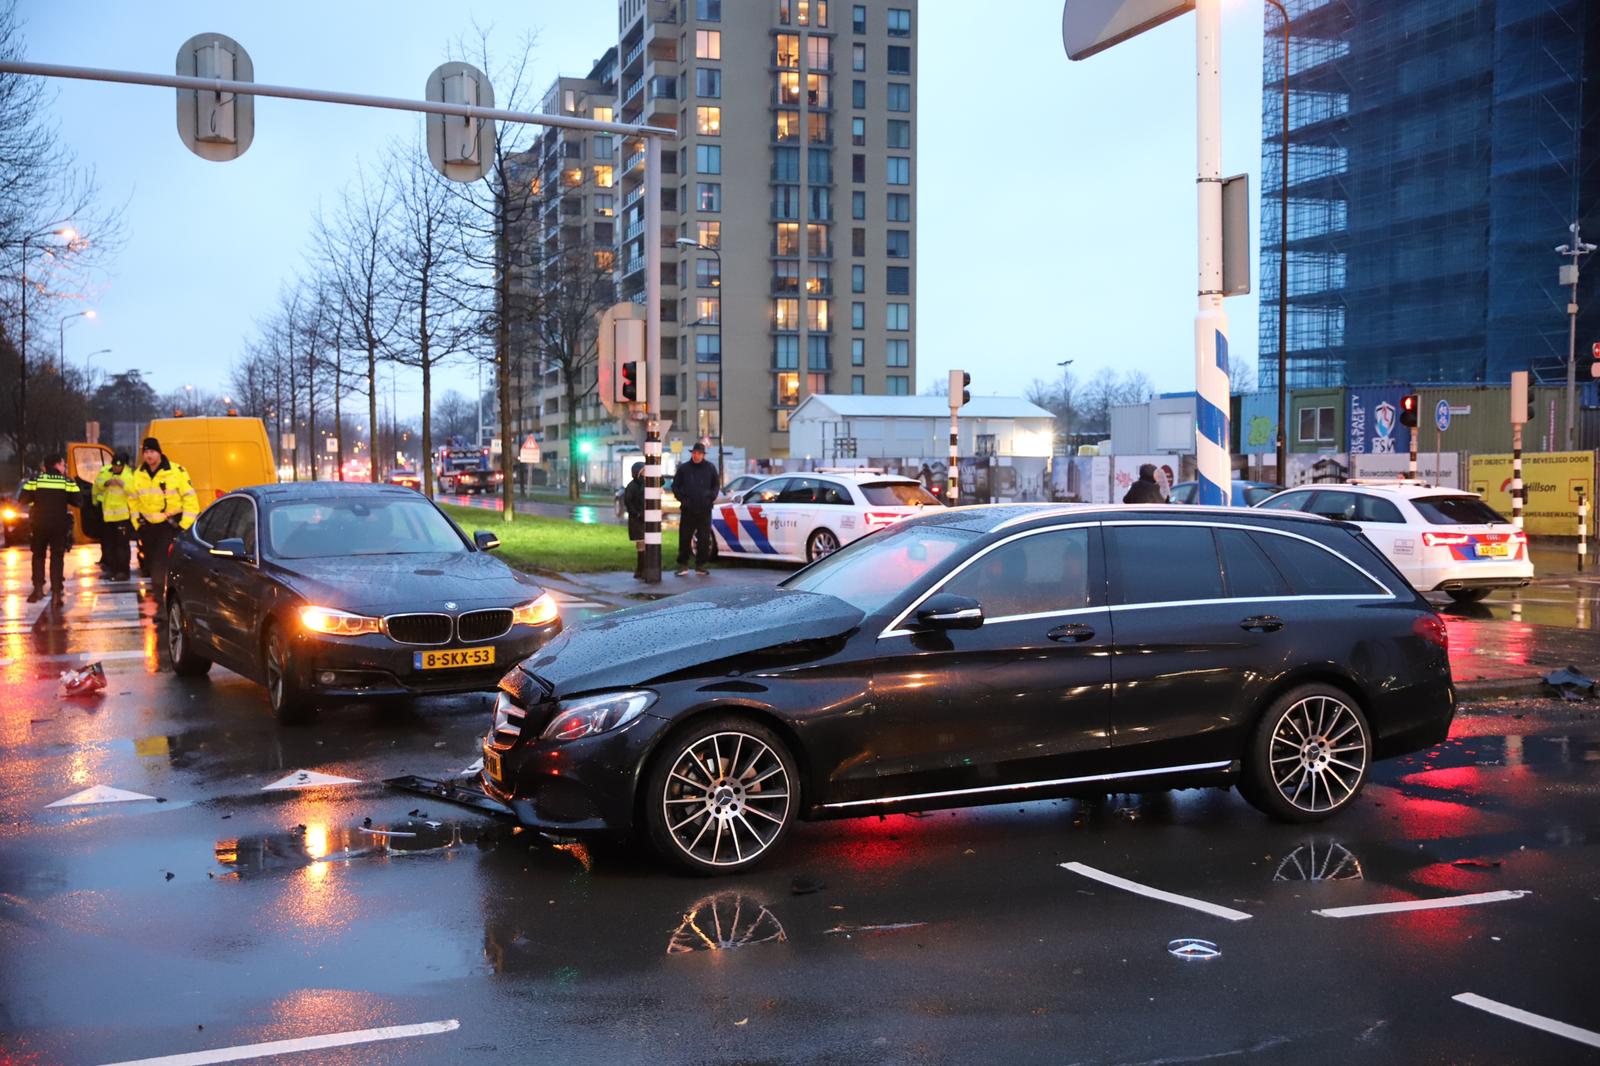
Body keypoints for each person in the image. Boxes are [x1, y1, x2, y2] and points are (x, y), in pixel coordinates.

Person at [129, 436, 199, 615]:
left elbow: (190, 499)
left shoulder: (176, 472)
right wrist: (138, 525)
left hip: (170, 526)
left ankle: (162, 607)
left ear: (159, 453)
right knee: (153, 566)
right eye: (146, 452)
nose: (149, 456)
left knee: (161, 566)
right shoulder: (138, 474)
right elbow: (133, 500)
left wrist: (183, 526)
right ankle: (166, 604)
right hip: (149, 529)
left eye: (152, 452)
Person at [20, 454, 82, 605]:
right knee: (57, 557)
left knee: (38, 556)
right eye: (63, 464)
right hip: (59, 525)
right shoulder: (67, 482)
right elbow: (79, 501)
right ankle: (55, 593)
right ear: (57, 465)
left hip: (39, 524)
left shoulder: (35, 480)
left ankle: (38, 590)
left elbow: (23, 499)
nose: (64, 467)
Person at [672, 442, 719, 576]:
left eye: (699, 453)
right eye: (694, 453)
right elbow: (676, 486)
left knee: (704, 538)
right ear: (692, 453)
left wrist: (710, 497)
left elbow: (716, 485)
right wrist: (683, 499)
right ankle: (683, 564)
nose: (696, 455)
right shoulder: (684, 469)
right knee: (685, 537)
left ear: (703, 455)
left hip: (705, 508)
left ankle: (700, 565)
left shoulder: (710, 468)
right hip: (688, 509)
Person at [92, 451, 134, 581]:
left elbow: (134, 492)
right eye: (115, 465)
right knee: (109, 546)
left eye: (119, 465)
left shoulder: (128, 475)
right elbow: (97, 485)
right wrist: (106, 483)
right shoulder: (106, 472)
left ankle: (123, 571)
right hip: (108, 517)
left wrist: (122, 485)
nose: (116, 467)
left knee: (122, 546)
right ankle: (111, 570)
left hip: (122, 517)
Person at [623, 460, 647, 580]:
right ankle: (640, 569)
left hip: (645, 519)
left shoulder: (647, 485)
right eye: (644, 471)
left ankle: (644, 569)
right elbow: (628, 502)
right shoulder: (632, 486)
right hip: (637, 521)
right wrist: (637, 514)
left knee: (646, 544)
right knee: (641, 545)